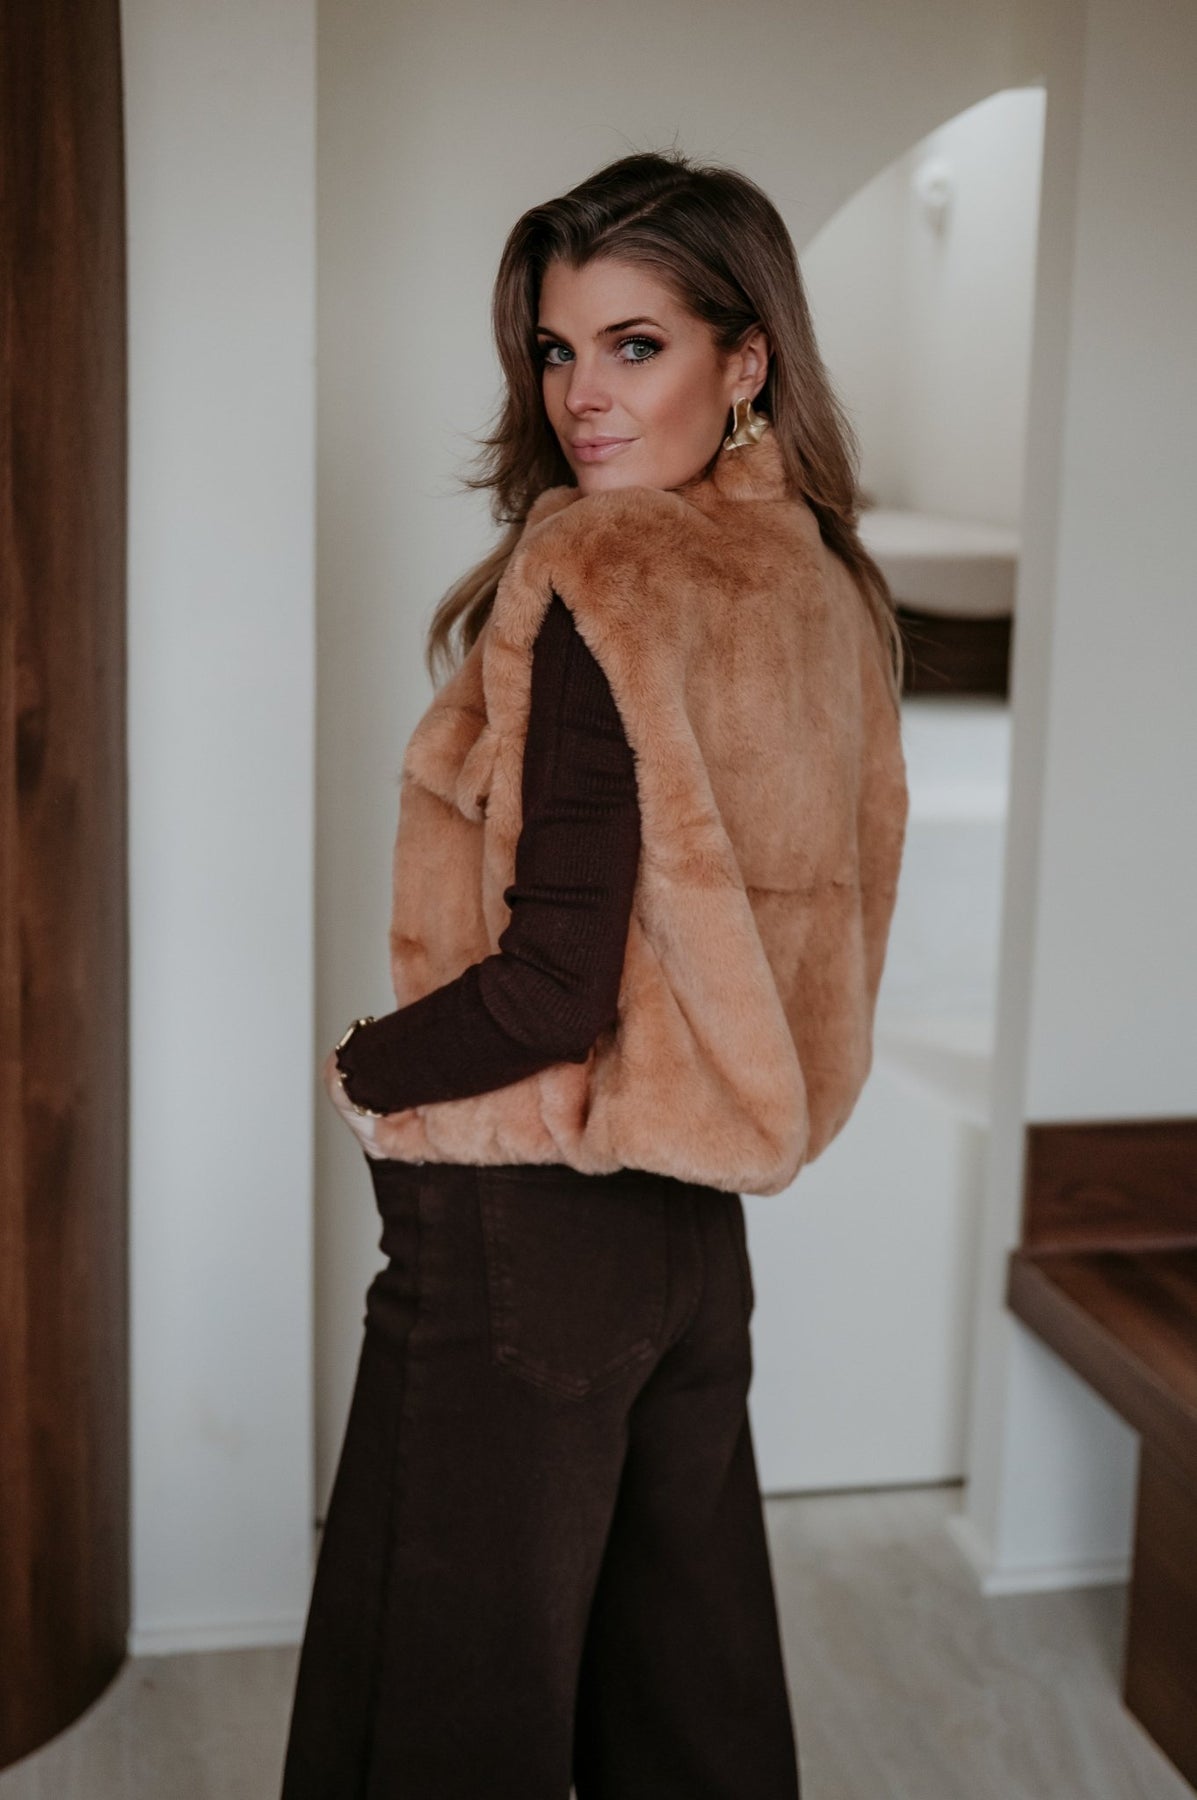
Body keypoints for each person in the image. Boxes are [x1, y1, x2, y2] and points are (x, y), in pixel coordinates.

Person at [279, 149, 909, 1800]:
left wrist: (363, 1067)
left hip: (530, 1224)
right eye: (558, 349)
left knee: (434, 1710)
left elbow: (553, 983)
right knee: (686, 1696)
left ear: (744, 357)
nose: (581, 394)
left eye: (637, 345)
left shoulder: (607, 572)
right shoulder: (827, 583)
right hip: (693, 1231)